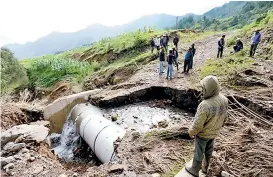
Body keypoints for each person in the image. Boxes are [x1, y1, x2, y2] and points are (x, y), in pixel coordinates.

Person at [185, 75, 228, 176]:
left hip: (203, 135)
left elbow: (198, 125)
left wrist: (191, 132)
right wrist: (219, 127)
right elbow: (225, 117)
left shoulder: (204, 105)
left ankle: (195, 170)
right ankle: (205, 168)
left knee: (199, 152)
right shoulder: (224, 99)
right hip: (214, 132)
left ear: (208, 89)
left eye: (203, 88)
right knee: (209, 150)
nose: (202, 90)